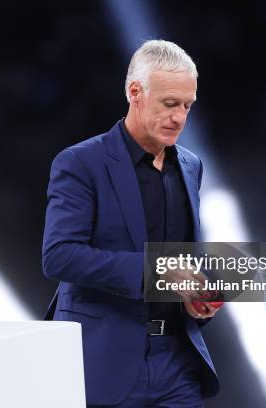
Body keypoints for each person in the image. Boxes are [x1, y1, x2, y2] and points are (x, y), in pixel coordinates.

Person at [42, 39, 220, 407]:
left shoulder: (191, 166)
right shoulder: (80, 162)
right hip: (105, 360)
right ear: (135, 92)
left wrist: (195, 296)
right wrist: (155, 271)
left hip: (177, 361)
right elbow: (59, 256)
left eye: (188, 105)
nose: (180, 118)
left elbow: (186, 256)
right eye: (170, 104)